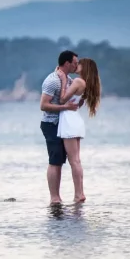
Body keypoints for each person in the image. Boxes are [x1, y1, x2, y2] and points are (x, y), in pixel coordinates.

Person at [54, 58, 102, 203]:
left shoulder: (78, 82)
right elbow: (78, 103)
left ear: (84, 67)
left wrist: (62, 79)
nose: (76, 65)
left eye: (79, 64)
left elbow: (62, 100)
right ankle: (79, 193)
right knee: (76, 160)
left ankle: (79, 194)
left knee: (74, 161)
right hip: (75, 119)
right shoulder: (86, 83)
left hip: (69, 121)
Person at [39, 50, 80, 205]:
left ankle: (60, 197)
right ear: (67, 63)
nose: (77, 65)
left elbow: (68, 101)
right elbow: (43, 105)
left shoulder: (69, 80)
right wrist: (65, 107)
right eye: (75, 62)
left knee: (64, 160)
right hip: (51, 124)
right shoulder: (52, 80)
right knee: (55, 160)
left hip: (64, 125)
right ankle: (54, 198)